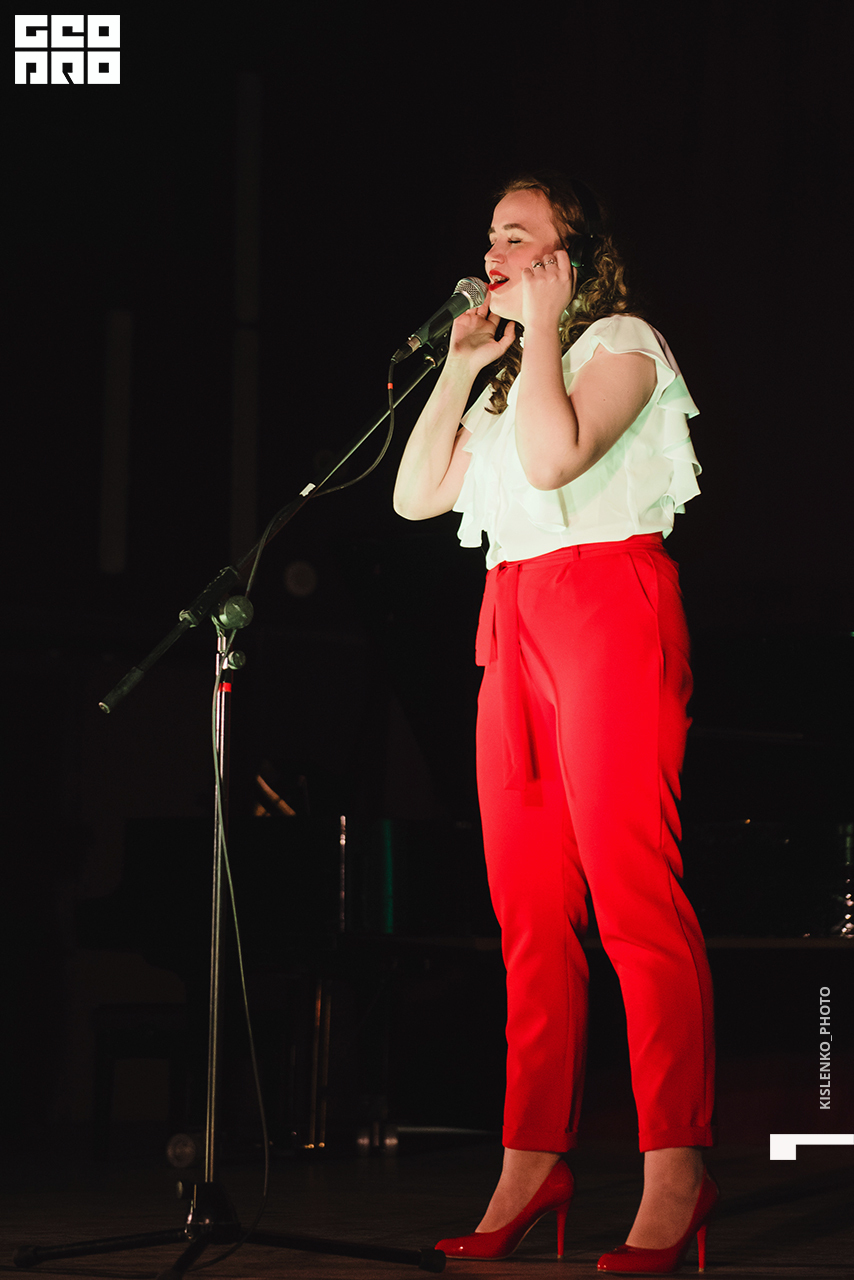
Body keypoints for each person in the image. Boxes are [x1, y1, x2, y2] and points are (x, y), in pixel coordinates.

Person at [393, 171, 717, 1272]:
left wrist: (538, 335)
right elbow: (415, 496)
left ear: (571, 254)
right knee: (529, 912)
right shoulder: (502, 382)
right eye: (489, 236)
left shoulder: (621, 343)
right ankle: (530, 1162)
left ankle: (675, 1168)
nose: (493, 253)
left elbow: (553, 460)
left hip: (607, 604)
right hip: (513, 617)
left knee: (634, 897)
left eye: (518, 237)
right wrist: (458, 368)